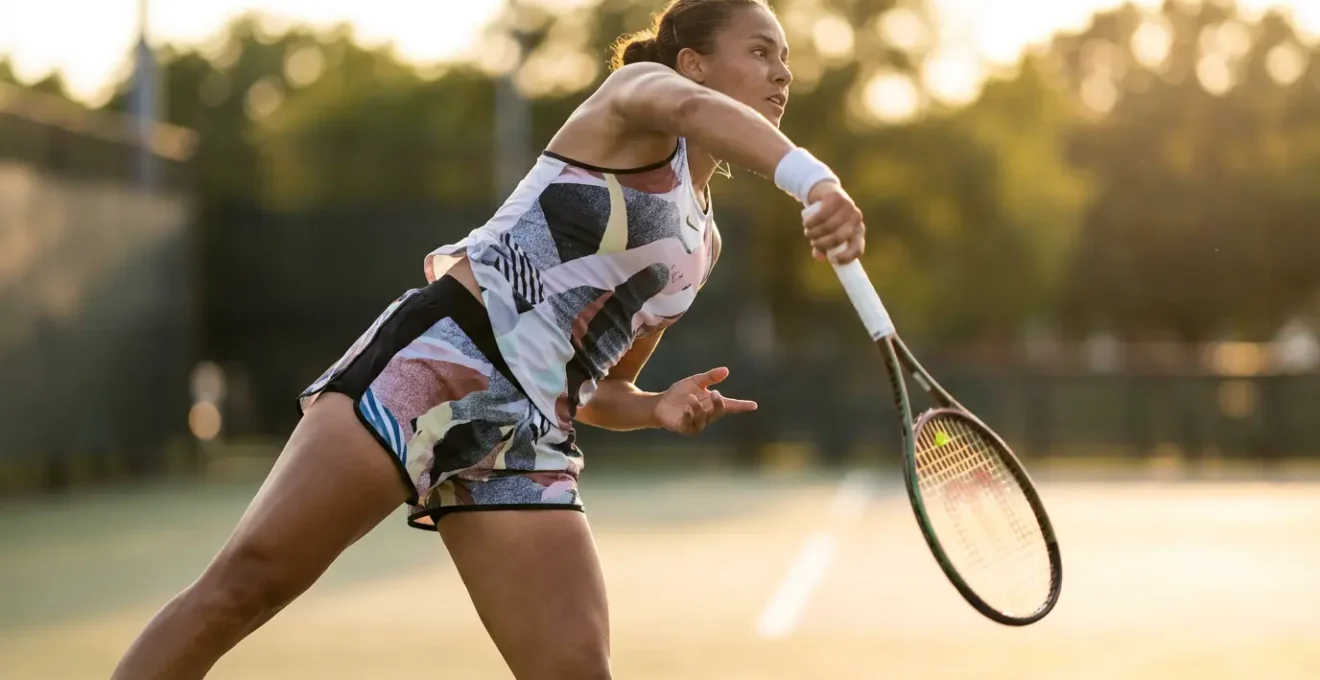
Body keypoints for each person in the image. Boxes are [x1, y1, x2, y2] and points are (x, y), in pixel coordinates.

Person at [110, 0, 865, 677]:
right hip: (442, 360)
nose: (782, 73)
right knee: (244, 587)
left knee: (573, 669)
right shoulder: (633, 102)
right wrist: (816, 181)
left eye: (786, 59)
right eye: (762, 50)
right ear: (694, 64)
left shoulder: (704, 245)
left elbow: (597, 387)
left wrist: (656, 407)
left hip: (530, 434)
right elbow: (691, 110)